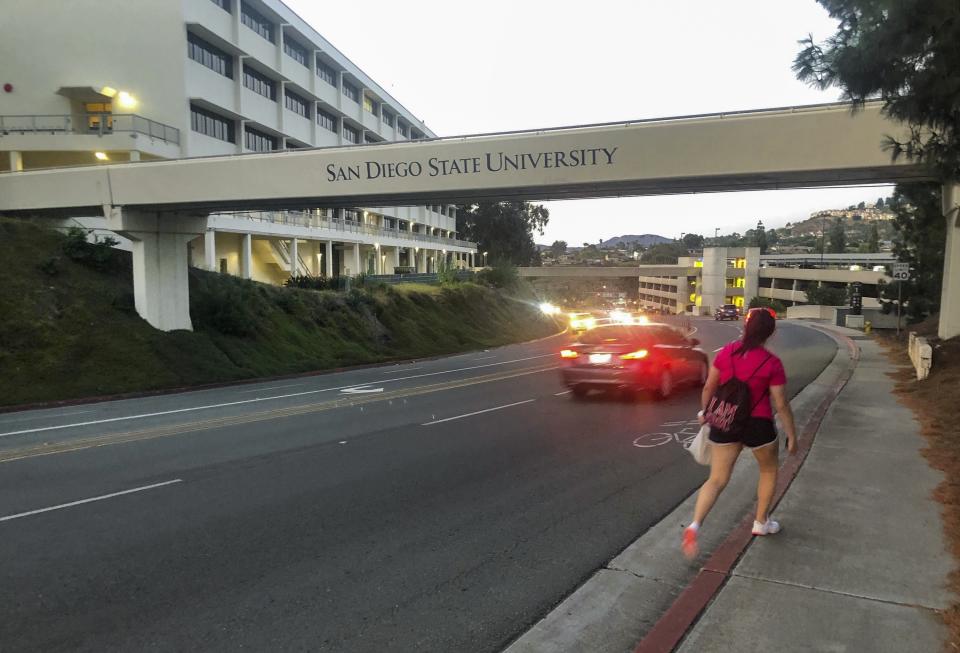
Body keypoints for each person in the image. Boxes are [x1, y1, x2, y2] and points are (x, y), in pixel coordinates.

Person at [682, 307, 797, 559]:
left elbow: (709, 388)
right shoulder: (772, 363)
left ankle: (694, 525)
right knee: (768, 470)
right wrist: (792, 435)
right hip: (758, 423)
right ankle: (761, 522)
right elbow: (780, 403)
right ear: (771, 333)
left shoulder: (725, 353)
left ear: (745, 328)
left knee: (717, 479)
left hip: (726, 421)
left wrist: (706, 413)